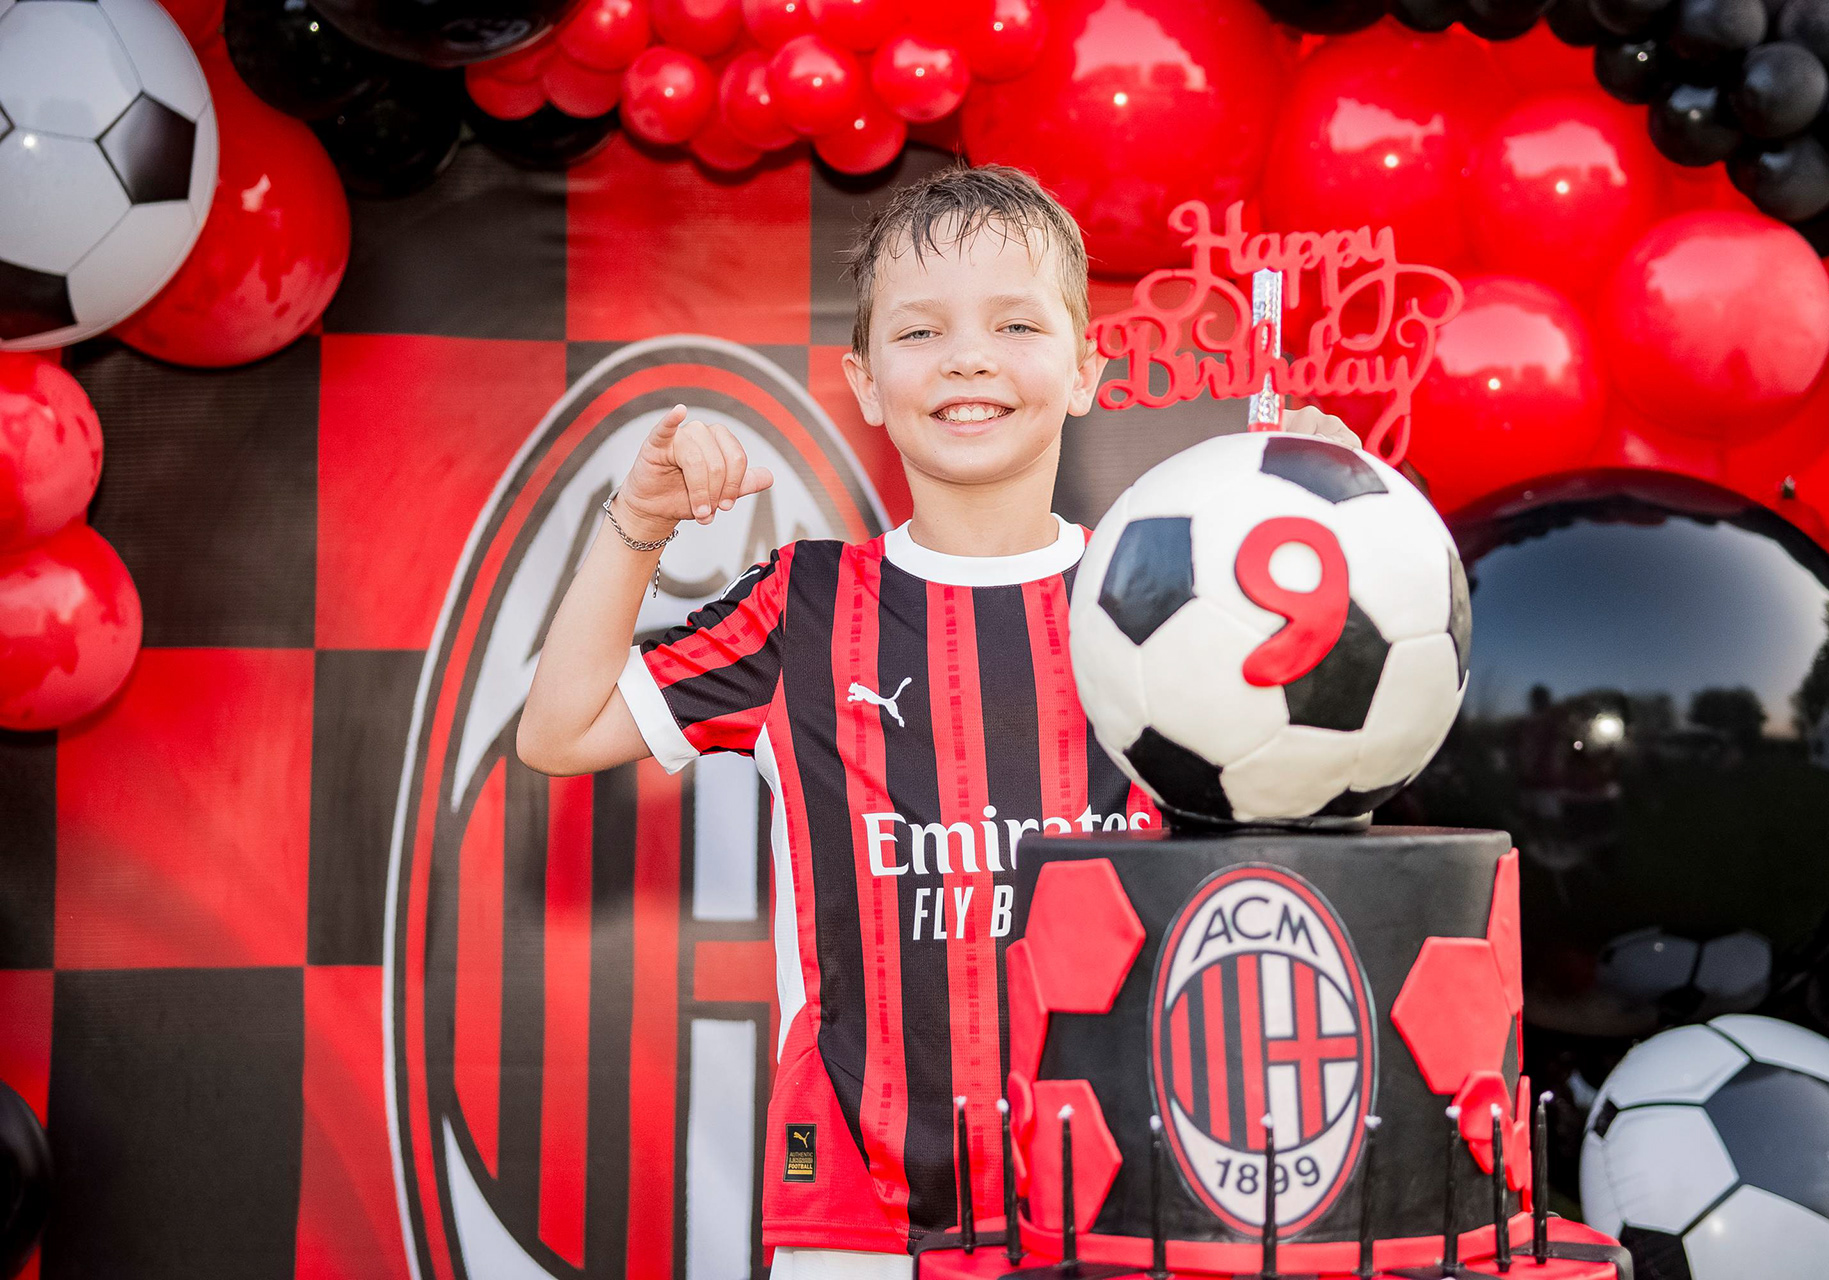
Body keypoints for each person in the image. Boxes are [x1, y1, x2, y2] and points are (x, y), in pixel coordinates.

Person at [517, 161, 1357, 1278]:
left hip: (1136, 1201)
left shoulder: (1169, 603)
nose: (968, 358)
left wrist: (1338, 546)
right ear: (864, 383)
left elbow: (1321, 810)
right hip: (863, 1224)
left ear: (1086, 368)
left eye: (1016, 323)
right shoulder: (802, 607)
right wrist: (640, 519)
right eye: (921, 332)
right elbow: (558, 730)